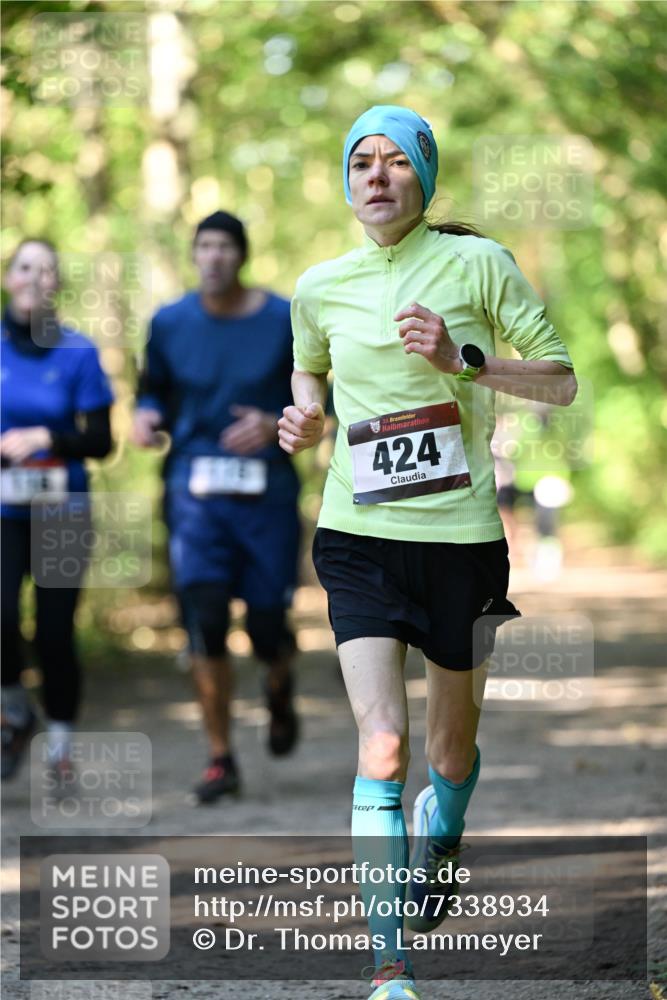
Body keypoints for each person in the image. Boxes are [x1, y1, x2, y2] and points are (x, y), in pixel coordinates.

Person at [279, 106, 577, 999]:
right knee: (381, 746)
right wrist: (307, 412)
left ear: (423, 176)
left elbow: (559, 379)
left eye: (394, 162)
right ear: (344, 178)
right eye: (359, 162)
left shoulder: (478, 263)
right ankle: (389, 965)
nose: (375, 176)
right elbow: (307, 366)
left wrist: (463, 358)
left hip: (461, 546)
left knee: (447, 757)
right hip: (357, 539)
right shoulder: (318, 284)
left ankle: (441, 830)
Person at [133, 211, 301, 806]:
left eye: (225, 246)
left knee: (264, 627)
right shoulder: (169, 321)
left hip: (267, 499)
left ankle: (279, 686)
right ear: (194, 254)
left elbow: (315, 395)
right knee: (204, 622)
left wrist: (275, 419)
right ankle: (220, 757)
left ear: (242, 254)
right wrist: (146, 414)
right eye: (203, 246)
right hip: (194, 495)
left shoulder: (284, 317)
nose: (213, 257)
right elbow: (151, 386)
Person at [1, 238, 114, 781]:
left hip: (61, 510)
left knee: (53, 633)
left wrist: (48, 434)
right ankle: (15, 707)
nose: (34, 279)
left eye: (47, 271)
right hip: (2, 511)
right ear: (9, 278)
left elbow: (100, 442)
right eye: (25, 268)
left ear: (57, 287)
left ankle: (60, 746)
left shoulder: (78, 351)